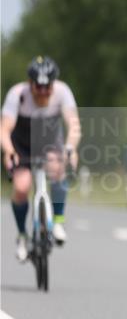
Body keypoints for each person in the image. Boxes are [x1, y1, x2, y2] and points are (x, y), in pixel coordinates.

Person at [1, 56, 81, 261]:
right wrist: (9, 151)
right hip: (22, 144)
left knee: (58, 168)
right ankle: (22, 235)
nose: (44, 91)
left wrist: (70, 148)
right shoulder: (17, 94)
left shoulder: (62, 91)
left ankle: (58, 221)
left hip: (50, 141)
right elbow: (4, 128)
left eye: (48, 87)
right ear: (30, 83)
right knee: (21, 187)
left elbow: (73, 125)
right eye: (39, 87)